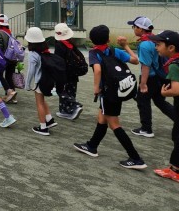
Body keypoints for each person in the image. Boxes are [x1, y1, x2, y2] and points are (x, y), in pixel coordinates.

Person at [73, 25, 147, 169]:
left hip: (108, 93)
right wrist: (125, 46)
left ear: (92, 40)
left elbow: (97, 70)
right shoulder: (114, 50)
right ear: (108, 39)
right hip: (118, 90)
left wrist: (96, 88)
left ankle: (135, 158)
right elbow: (135, 60)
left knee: (114, 124)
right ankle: (92, 146)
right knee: (102, 118)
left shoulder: (94, 53)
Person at [119, 16, 177, 138]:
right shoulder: (155, 40)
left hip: (149, 78)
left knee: (142, 101)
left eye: (134, 26)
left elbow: (146, 66)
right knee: (160, 102)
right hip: (161, 76)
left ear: (140, 29)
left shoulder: (145, 44)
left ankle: (146, 129)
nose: (133, 29)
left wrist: (143, 83)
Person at [150, 31, 179, 182]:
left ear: (171, 47)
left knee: (177, 136)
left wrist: (164, 93)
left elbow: (176, 90)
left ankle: (175, 170)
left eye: (159, 44)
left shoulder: (174, 65)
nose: (156, 47)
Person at [24, 27, 58, 136]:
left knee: (39, 103)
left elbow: (30, 71)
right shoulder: (45, 50)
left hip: (39, 81)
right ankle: (49, 119)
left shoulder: (33, 54)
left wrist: (27, 85)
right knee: (42, 101)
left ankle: (43, 127)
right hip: (48, 80)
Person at [54, 22, 84, 120]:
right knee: (71, 91)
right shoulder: (71, 44)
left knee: (61, 91)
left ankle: (74, 106)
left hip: (64, 73)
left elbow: (58, 61)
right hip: (74, 73)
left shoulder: (59, 45)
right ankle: (68, 111)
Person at [0, 13, 18, 104]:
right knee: (9, 76)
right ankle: (13, 97)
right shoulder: (10, 32)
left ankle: (9, 91)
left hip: (4, 58)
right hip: (13, 58)